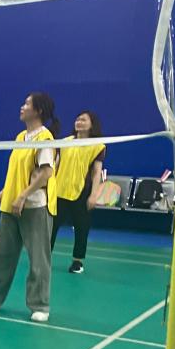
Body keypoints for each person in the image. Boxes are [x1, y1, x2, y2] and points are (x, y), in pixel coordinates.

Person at [0, 92, 59, 323]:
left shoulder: (45, 138)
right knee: (2, 255)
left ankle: (40, 305)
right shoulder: (20, 137)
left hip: (35, 206)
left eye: (27, 103)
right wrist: (5, 191)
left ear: (38, 110)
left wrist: (23, 196)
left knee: (38, 259)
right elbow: (18, 171)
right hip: (12, 204)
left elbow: (46, 173)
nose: (22, 106)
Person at [51, 110, 105, 274]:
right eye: (77, 119)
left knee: (82, 228)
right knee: (51, 227)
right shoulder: (65, 142)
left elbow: (96, 172)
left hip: (81, 193)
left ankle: (77, 261)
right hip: (59, 191)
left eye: (83, 120)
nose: (79, 122)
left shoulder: (98, 146)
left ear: (92, 125)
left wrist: (94, 195)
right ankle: (43, 257)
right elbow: (56, 165)